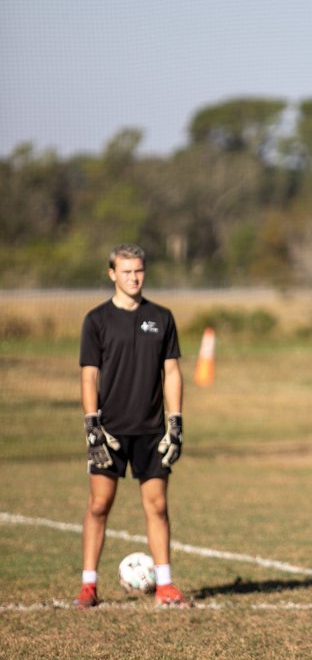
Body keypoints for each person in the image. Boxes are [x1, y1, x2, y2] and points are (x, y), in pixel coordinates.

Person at [72, 243, 187, 608]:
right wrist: (92, 425)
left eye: (139, 270)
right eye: (126, 271)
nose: (134, 277)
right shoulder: (96, 320)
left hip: (151, 431)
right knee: (98, 505)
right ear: (112, 274)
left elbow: (172, 371)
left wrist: (175, 422)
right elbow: (89, 376)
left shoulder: (162, 317)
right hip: (110, 431)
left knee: (157, 506)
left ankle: (165, 586)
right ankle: (88, 586)